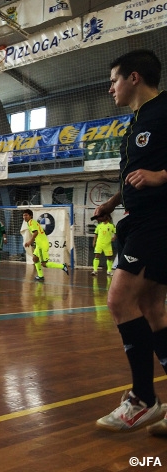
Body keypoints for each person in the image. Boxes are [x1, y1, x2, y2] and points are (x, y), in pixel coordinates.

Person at [92, 49, 167, 434]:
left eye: (114, 80)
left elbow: (152, 173)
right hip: (139, 220)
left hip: (158, 221)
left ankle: (143, 399)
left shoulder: (164, 111)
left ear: (134, 78)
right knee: (154, 309)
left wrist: (161, 176)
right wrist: (111, 201)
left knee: (120, 300)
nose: (110, 89)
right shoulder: (134, 123)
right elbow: (134, 174)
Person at [22, 209, 69, 281]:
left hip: (41, 245)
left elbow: (36, 233)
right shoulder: (31, 222)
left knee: (44, 264)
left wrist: (30, 242)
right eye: (24, 215)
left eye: (26, 215)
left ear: (30, 216)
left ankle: (62, 266)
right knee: (35, 259)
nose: (24, 217)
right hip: (39, 244)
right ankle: (40, 276)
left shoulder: (31, 222)